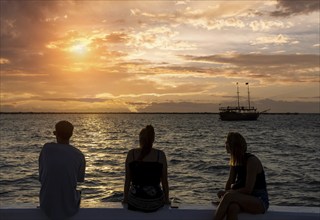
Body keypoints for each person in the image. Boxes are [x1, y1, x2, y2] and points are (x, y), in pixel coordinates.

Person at [214, 132, 269, 220]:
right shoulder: (235, 161)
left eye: (227, 142)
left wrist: (227, 195)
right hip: (243, 198)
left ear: (233, 146)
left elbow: (248, 189)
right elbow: (230, 182)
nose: (225, 144)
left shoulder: (251, 161)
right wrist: (224, 199)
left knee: (228, 196)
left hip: (259, 200)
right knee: (232, 208)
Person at [39, 120, 86, 220]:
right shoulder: (79, 155)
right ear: (71, 134)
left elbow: (41, 177)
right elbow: (79, 180)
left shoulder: (46, 149)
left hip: (46, 204)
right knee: (77, 191)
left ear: (56, 134)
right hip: (69, 207)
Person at [123, 125, 169, 212]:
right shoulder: (160, 155)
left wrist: (125, 199)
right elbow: (164, 181)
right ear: (153, 139)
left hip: (135, 200)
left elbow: (127, 180)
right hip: (155, 201)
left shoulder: (131, 154)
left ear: (140, 139)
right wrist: (166, 199)